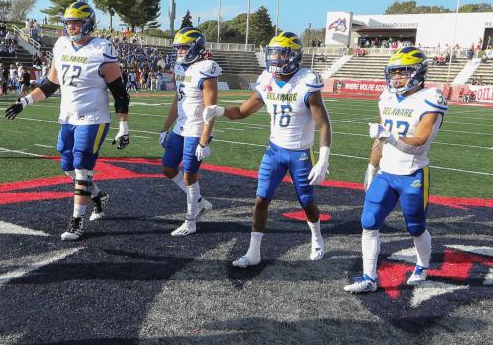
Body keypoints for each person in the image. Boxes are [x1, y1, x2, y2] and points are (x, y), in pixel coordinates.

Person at [203, 32, 331, 266]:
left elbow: (323, 123)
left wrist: (323, 159)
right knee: (261, 199)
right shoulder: (267, 79)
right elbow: (243, 111)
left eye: (281, 53)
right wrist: (220, 111)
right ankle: (254, 252)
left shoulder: (307, 81)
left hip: (300, 153)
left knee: (306, 200)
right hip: (275, 151)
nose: (275, 58)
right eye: (272, 53)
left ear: (293, 55)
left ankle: (317, 237)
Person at [5, 0, 129, 240]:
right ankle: (98, 196)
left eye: (76, 23)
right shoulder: (61, 45)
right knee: (67, 167)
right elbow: (50, 84)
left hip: (93, 117)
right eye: (69, 23)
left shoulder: (102, 49)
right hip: (68, 116)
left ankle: (77, 221)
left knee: (82, 167)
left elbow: (120, 93)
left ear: (88, 23)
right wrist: (24, 102)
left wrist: (123, 126)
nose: (71, 28)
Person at [344, 47, 447, 293]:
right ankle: (369, 277)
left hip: (413, 173)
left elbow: (420, 140)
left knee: (415, 227)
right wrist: (372, 166)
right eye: (394, 73)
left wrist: (390, 138)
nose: (397, 78)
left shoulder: (431, 97)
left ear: (419, 72)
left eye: (404, 72)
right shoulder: (386, 97)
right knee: (368, 222)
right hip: (386, 173)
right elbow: (380, 137)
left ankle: (422, 265)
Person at [157, 27, 219, 236]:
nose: (180, 51)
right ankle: (199, 201)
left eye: (184, 47)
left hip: (197, 128)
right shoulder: (180, 67)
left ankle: (190, 222)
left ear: (196, 47)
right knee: (168, 168)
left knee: (190, 176)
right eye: (179, 47)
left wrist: (204, 140)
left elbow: (211, 109)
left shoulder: (207, 69)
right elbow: (178, 100)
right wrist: (165, 128)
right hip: (180, 127)